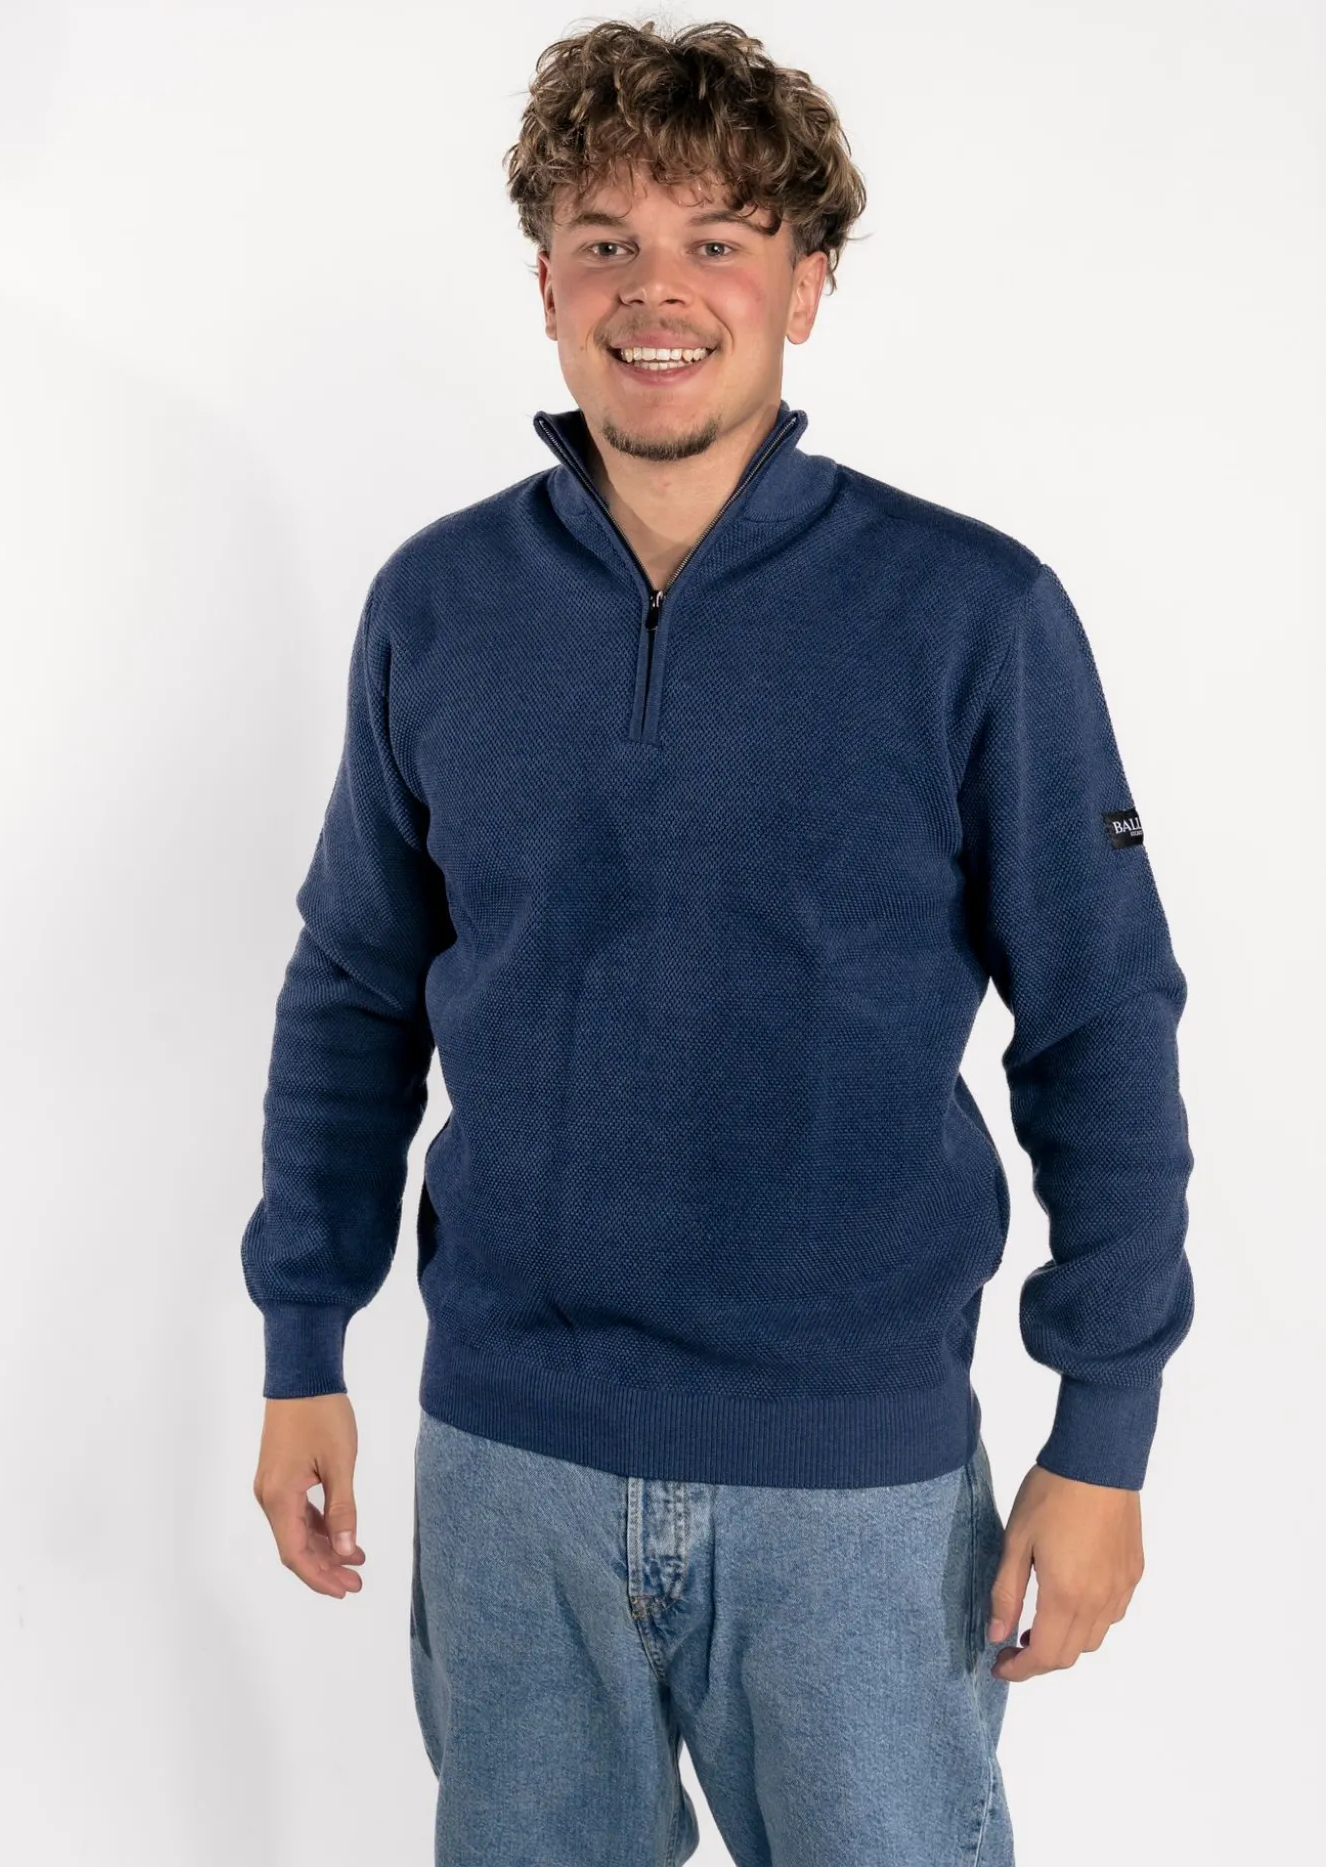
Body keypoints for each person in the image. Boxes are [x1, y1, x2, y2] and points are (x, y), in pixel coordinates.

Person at [243, 18, 1194, 1865]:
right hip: (509, 1465)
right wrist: (302, 1344)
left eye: (719, 240)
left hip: (855, 1491)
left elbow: (1100, 1024)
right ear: (545, 283)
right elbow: (355, 992)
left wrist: (1107, 1430)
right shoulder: (438, 604)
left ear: (806, 284)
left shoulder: (971, 614)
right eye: (605, 239)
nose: (655, 289)